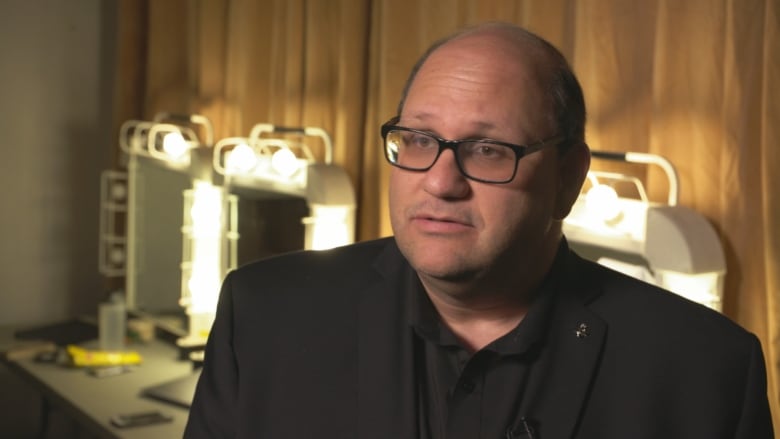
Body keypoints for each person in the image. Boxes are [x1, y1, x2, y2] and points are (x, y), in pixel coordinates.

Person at [184, 22, 773, 438]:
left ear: (569, 178)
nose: (440, 182)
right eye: (417, 140)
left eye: (488, 150)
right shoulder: (264, 316)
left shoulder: (706, 371)